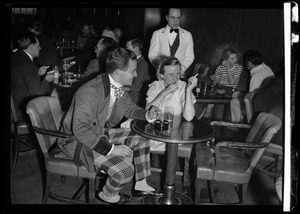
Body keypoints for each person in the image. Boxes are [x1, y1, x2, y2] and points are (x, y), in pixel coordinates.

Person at [56, 47, 160, 204]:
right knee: (126, 171)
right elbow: (80, 131)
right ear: (118, 71)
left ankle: (141, 185)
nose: (136, 74)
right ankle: (108, 195)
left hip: (98, 133)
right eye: (132, 71)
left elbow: (130, 109)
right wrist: (111, 149)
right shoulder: (90, 92)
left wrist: (147, 115)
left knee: (142, 139)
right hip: (78, 142)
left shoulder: (115, 85)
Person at [145, 56, 197, 151]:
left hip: (175, 135)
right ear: (162, 75)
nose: (175, 78)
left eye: (178, 73)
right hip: (154, 132)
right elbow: (147, 111)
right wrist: (163, 93)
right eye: (171, 74)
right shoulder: (155, 86)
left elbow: (189, 117)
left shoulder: (183, 87)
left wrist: (188, 90)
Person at [11, 31, 54, 121]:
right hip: (22, 111)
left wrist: (37, 73)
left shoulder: (16, 56)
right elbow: (38, 93)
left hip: (14, 106)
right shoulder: (27, 64)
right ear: (31, 47)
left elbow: (21, 78)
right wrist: (46, 80)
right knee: (55, 104)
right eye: (38, 46)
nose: (40, 48)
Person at [148, 8, 194, 79]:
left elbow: (190, 56)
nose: (175, 21)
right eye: (172, 17)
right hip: (162, 75)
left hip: (179, 75)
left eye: (178, 18)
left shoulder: (187, 35)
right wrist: (161, 68)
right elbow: (152, 55)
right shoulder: (157, 34)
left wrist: (181, 70)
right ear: (167, 17)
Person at [210, 48, 243, 122]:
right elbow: (215, 83)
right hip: (220, 87)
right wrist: (214, 79)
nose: (235, 60)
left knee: (228, 95)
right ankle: (206, 121)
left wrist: (227, 67)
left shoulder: (238, 67)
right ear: (226, 60)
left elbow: (232, 82)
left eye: (236, 58)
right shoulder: (219, 68)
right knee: (210, 104)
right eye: (232, 58)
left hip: (231, 90)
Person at [125, 39, 150, 107]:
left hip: (134, 97)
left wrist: (119, 87)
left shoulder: (142, 64)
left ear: (136, 48)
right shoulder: (132, 61)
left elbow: (135, 87)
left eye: (127, 47)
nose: (125, 50)